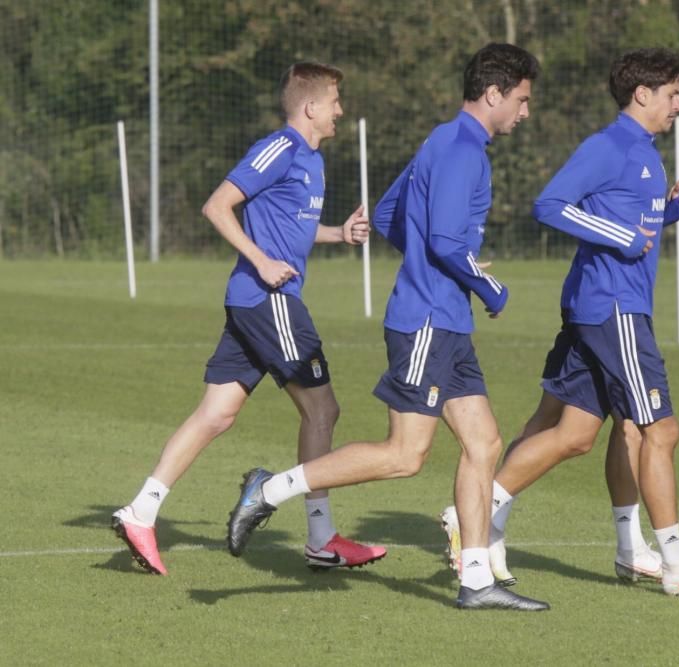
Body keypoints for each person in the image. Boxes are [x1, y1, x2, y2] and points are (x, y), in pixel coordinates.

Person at [225, 44, 549, 611]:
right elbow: (446, 240)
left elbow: (392, 214)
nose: (525, 112)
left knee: (484, 441)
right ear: (494, 93)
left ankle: (476, 581)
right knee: (405, 455)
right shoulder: (465, 149)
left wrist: (437, 262)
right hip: (427, 321)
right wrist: (487, 285)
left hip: (443, 319)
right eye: (521, 100)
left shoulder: (442, 139)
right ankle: (270, 488)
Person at [450, 48, 679, 597]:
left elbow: (627, 218)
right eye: (673, 93)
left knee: (578, 434)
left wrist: (672, 210)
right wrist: (622, 237)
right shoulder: (608, 146)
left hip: (607, 307)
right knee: (660, 429)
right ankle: (676, 562)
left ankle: (471, 511)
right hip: (614, 308)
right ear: (643, 94)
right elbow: (550, 205)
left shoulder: (647, 153)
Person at [111, 61, 384, 576]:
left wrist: (338, 234)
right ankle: (321, 538)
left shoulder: (313, 160)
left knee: (216, 415)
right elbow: (217, 206)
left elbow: (292, 229)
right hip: (268, 299)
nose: (341, 111)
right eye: (335, 102)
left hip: (252, 301)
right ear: (310, 107)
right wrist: (261, 261)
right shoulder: (280, 148)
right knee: (323, 410)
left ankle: (140, 511)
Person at [441, 324, 664, 587]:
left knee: (555, 418)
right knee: (611, 427)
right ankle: (479, 512)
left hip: (592, 309)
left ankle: (490, 523)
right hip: (610, 309)